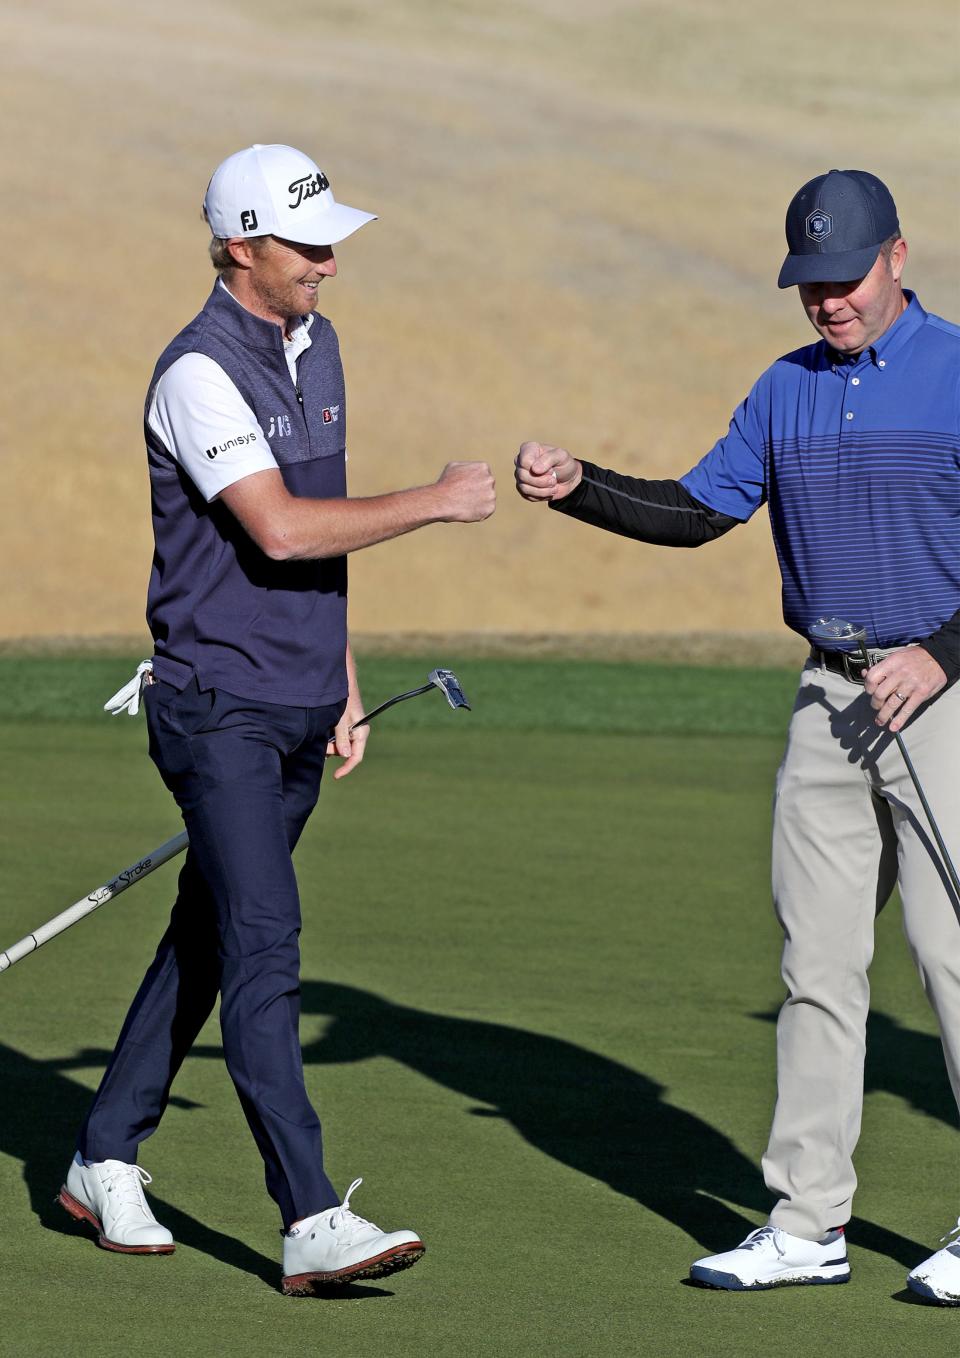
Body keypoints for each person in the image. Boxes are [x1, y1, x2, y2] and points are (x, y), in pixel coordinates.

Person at [514, 169, 960, 1304]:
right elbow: (699, 509)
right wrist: (581, 487)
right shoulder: (783, 389)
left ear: (898, 257)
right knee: (817, 968)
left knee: (954, 963)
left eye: (845, 278)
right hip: (828, 704)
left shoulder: (957, 372)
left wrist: (945, 653)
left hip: (941, 696)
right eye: (809, 283)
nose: (827, 303)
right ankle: (809, 1218)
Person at [58, 143, 495, 1294]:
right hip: (218, 707)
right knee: (263, 939)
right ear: (241, 246)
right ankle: (308, 1215)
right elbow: (284, 530)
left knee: (210, 929)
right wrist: (442, 503)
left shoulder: (318, 340)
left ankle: (102, 1150)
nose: (329, 265)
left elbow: (316, 538)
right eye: (307, 245)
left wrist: (342, 669)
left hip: (298, 697)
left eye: (332, 241)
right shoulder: (195, 371)